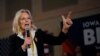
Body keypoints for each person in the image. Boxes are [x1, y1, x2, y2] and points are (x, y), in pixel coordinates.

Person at [9, 9, 73, 56]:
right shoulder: (13, 38)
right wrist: (24, 46)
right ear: (18, 22)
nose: (26, 20)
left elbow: (58, 40)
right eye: (23, 19)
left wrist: (65, 29)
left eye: (28, 18)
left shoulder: (38, 33)